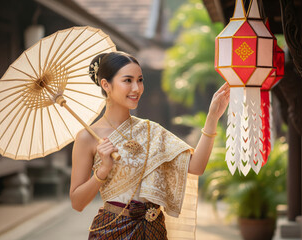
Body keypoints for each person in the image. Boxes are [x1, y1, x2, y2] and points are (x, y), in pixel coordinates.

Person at [70, 51, 230, 239]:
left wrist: (212, 118)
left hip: (153, 230)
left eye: (140, 80)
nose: (137, 88)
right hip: (112, 230)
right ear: (106, 85)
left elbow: (196, 166)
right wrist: (103, 170)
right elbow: (77, 202)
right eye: (128, 80)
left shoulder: (150, 130)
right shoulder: (87, 138)